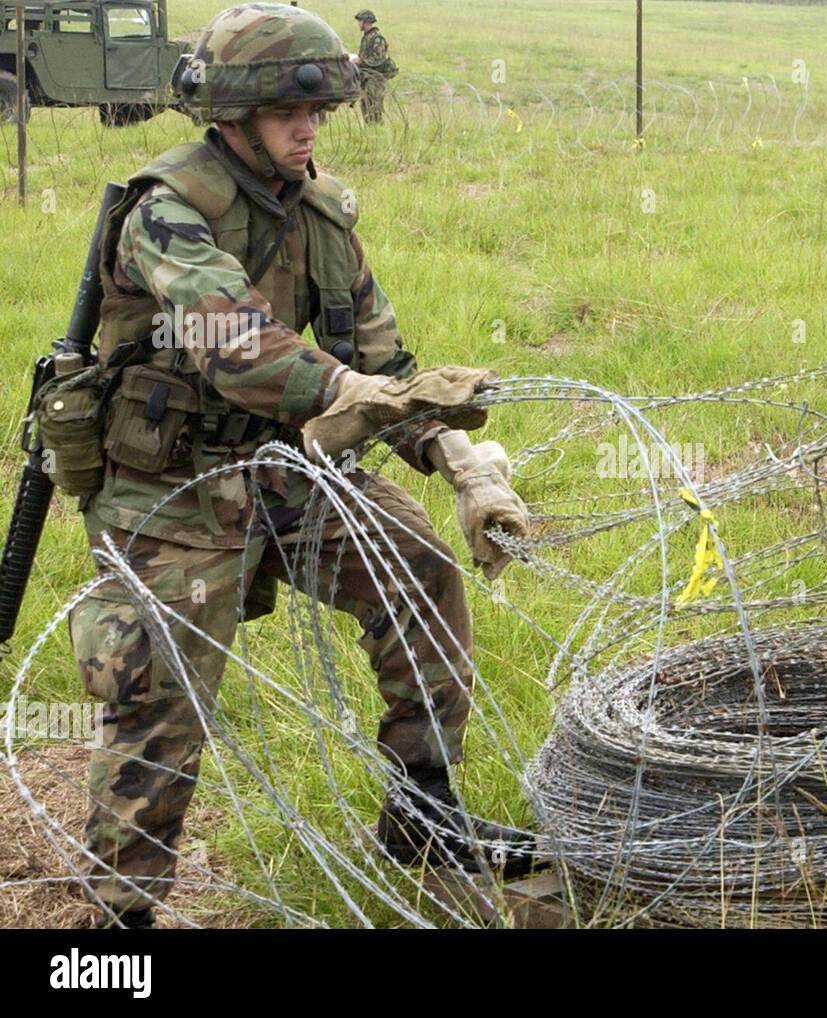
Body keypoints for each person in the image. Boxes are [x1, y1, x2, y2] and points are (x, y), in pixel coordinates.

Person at [70, 2, 531, 929]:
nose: (308, 127)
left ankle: (422, 811)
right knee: (158, 709)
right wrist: (359, 396)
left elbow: (387, 365)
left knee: (421, 572)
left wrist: (459, 460)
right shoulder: (166, 212)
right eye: (286, 112)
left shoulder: (319, 209)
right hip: (173, 492)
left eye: (316, 111)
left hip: (288, 475)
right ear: (232, 116)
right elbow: (234, 348)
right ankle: (116, 923)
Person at [353, 9, 394, 124]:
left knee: (374, 104)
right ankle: (370, 128)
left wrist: (361, 61)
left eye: (360, 21)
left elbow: (378, 58)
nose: (358, 24)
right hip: (367, 75)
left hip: (376, 77)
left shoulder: (377, 38)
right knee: (366, 103)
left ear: (366, 22)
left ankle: (376, 128)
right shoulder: (367, 37)